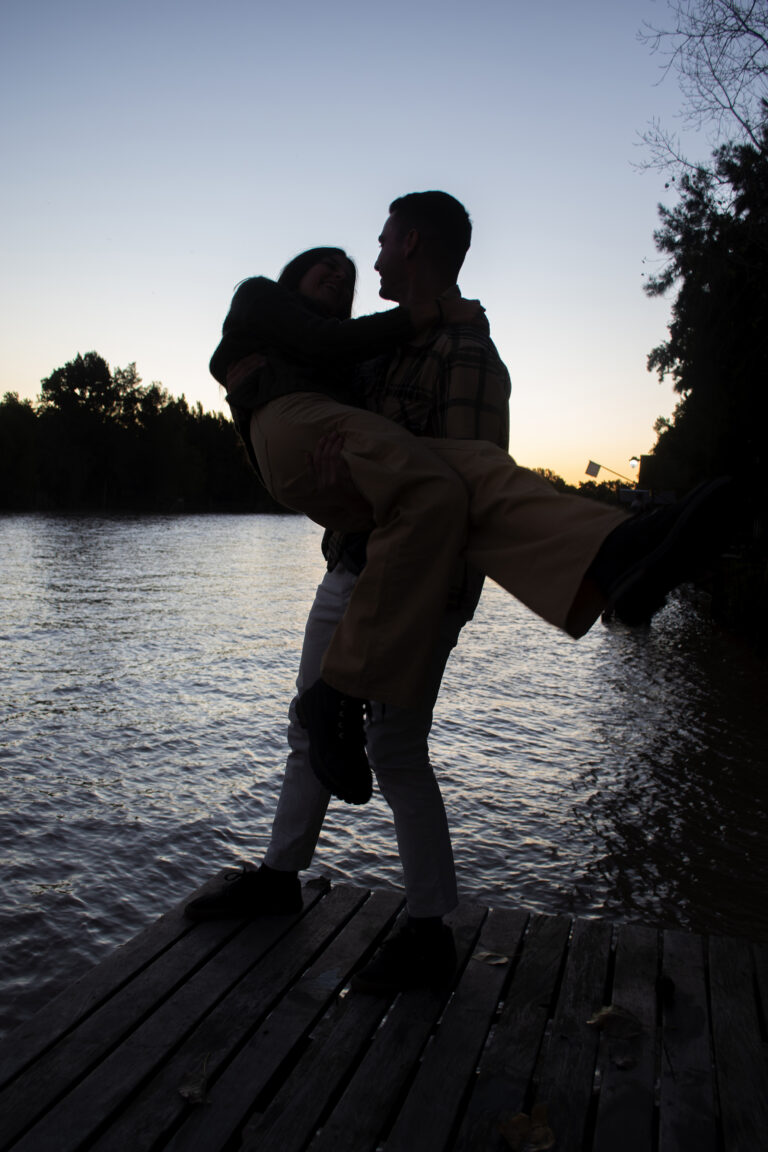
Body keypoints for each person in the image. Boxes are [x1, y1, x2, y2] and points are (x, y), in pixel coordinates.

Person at [187, 192, 729, 992]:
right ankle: (278, 878)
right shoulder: (358, 357)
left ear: (409, 243)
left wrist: (447, 596)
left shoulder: (464, 350)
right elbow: (303, 435)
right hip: (350, 567)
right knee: (314, 729)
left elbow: (475, 492)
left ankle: (428, 929)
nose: (365, 263)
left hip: (416, 578)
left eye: (375, 246)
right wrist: (326, 482)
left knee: (394, 745)